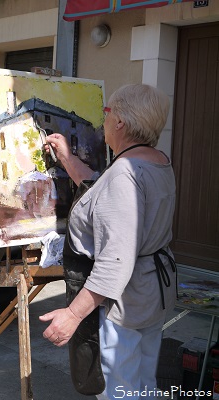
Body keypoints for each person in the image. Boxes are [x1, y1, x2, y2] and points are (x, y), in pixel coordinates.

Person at [39, 83, 176, 399]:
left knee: (120, 391)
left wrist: (73, 315)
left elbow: (115, 262)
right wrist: (68, 160)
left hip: (126, 304)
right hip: (152, 291)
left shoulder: (125, 174)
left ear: (121, 123)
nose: (103, 122)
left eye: (107, 113)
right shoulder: (156, 160)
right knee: (142, 385)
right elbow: (102, 192)